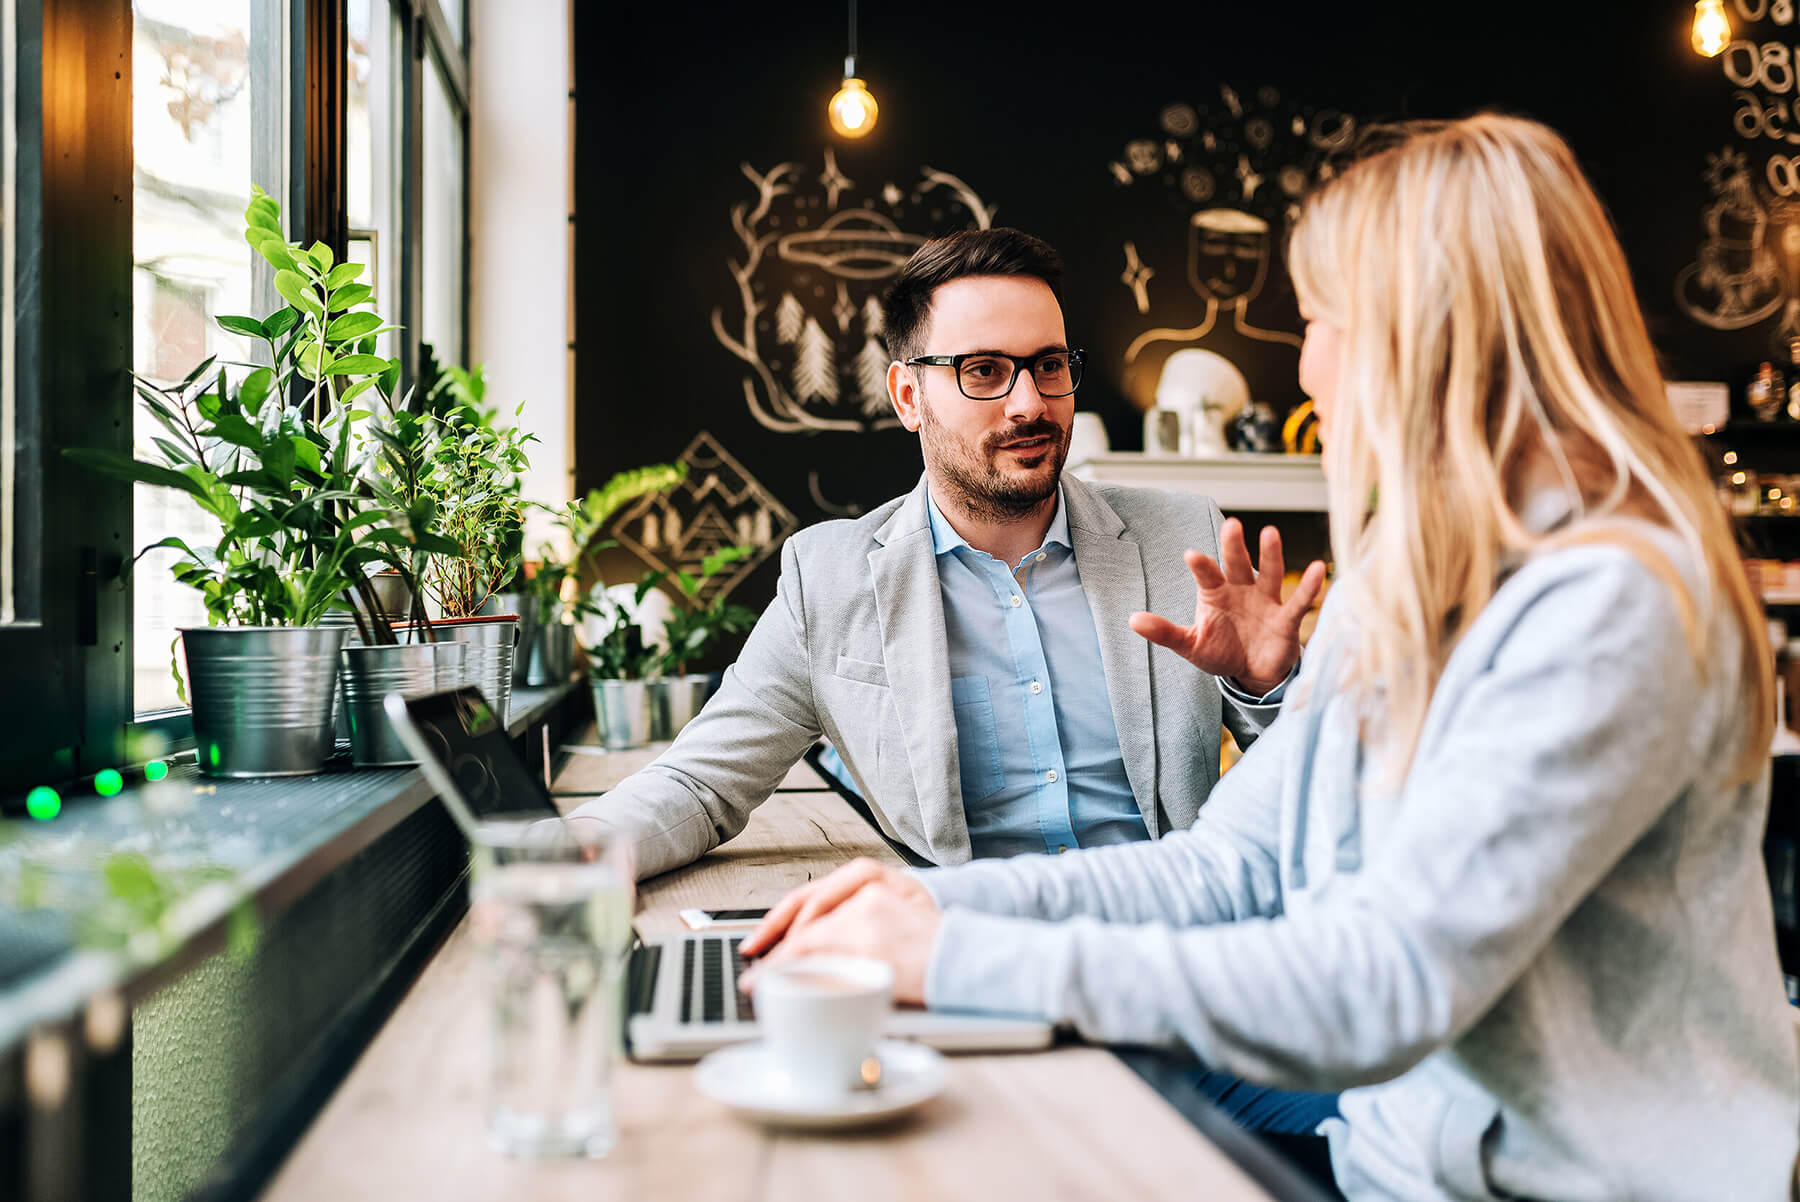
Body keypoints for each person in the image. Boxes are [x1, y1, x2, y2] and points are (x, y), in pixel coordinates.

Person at [740, 115, 1800, 1200]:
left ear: (1425, 333)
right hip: (1399, 1166)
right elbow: (1226, 866)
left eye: (1320, 319)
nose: (1306, 364)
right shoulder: (1407, 575)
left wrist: (953, 959)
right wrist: (930, 909)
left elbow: (1383, 980)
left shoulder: (1611, 604)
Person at [565, 227, 1324, 879]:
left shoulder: (1183, 539)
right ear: (907, 396)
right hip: (970, 962)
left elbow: (1316, 795)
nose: (1030, 402)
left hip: (1168, 947)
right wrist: (552, 857)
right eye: (984, 370)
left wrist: (1270, 688)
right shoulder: (828, 580)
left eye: (1049, 365)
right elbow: (702, 785)